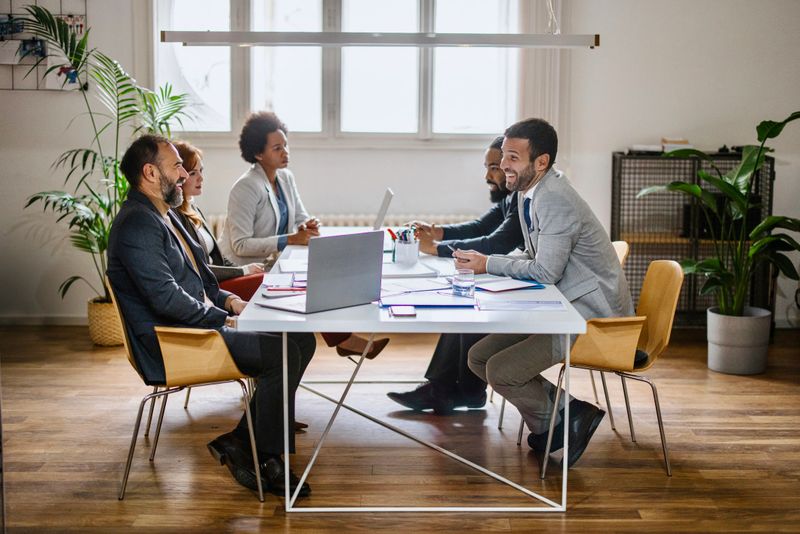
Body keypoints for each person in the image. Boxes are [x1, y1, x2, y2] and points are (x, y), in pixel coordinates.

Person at [107, 134, 316, 497]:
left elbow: (201, 279)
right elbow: (166, 298)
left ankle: (242, 443)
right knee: (281, 352)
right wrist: (225, 320)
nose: (185, 175)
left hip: (190, 327)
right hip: (173, 343)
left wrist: (232, 302)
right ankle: (263, 455)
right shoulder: (137, 224)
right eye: (176, 167)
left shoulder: (166, 215)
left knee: (300, 338)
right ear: (150, 173)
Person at [457, 118, 634, 468]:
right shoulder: (529, 192)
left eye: (513, 157)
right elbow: (534, 255)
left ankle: (559, 423)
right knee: (479, 358)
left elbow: (544, 271)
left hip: (591, 318)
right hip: (561, 304)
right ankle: (567, 416)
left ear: (541, 162)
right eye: (503, 155)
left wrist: (488, 265)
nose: (504, 165)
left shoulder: (553, 198)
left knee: (502, 371)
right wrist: (488, 268)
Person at [219, 111, 389, 359]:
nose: (285, 152)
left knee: (321, 274)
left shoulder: (285, 177)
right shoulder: (246, 187)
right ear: (258, 153)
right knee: (308, 284)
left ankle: (344, 338)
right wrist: (290, 238)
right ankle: (345, 340)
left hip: (271, 267)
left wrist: (308, 225)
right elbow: (240, 245)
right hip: (240, 273)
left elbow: (299, 217)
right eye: (277, 148)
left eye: (285, 145)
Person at [387, 136, 524, 414]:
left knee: (470, 304)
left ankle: (454, 390)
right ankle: (451, 390)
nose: (488, 175)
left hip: (542, 291)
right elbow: (480, 226)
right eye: (488, 167)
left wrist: (437, 248)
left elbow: (495, 243)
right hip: (525, 276)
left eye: (495, 167)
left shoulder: (522, 199)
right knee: (464, 301)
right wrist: (438, 232)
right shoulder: (512, 198)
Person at [171, 140, 265, 300]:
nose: (201, 178)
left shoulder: (194, 208)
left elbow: (218, 257)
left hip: (220, 281)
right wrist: (243, 271)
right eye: (193, 173)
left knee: (268, 278)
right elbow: (197, 269)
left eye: (201, 171)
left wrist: (243, 269)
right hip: (209, 288)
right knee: (265, 282)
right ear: (179, 175)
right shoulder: (175, 216)